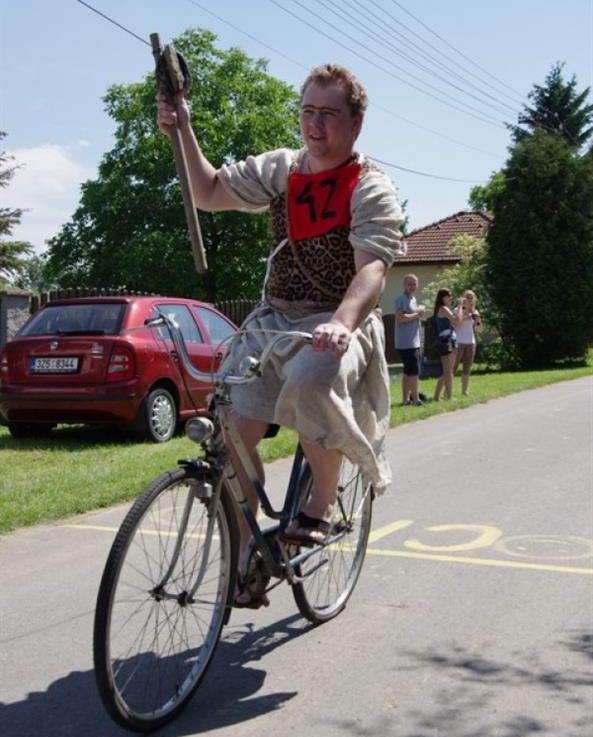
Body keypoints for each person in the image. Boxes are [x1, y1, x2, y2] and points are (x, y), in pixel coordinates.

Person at [157, 63, 403, 604]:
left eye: (328, 115)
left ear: (356, 123)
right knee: (230, 434)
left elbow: (371, 269)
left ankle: (322, 501)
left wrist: (341, 323)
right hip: (275, 319)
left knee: (314, 383)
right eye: (307, 112)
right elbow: (208, 191)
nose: (314, 125)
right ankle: (249, 555)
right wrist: (184, 129)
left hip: (337, 322)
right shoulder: (282, 169)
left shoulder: (371, 188)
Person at [394, 274, 425, 405]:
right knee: (414, 372)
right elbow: (400, 318)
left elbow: (412, 316)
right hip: (406, 342)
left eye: (414, 284)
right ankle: (416, 399)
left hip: (414, 341)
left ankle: (406, 400)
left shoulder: (413, 299)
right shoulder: (401, 299)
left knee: (408, 372)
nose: (412, 286)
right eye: (409, 284)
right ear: (404, 285)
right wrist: (417, 314)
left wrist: (418, 314)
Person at [433, 288, 463, 401]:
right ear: (442, 297)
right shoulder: (443, 308)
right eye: (448, 296)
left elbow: (458, 323)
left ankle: (437, 396)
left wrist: (459, 309)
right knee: (448, 372)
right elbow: (457, 321)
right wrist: (460, 306)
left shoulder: (443, 309)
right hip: (447, 340)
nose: (451, 298)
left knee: (447, 371)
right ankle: (449, 396)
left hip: (448, 339)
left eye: (451, 295)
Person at [454, 289, 483, 395]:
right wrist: (466, 315)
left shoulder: (475, 312)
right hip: (458, 342)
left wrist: (478, 320)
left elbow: (479, 330)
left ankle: (464, 391)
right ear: (463, 298)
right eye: (467, 297)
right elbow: (457, 325)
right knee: (453, 367)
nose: (469, 299)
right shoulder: (457, 310)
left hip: (471, 342)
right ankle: (446, 392)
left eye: (471, 298)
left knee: (467, 368)